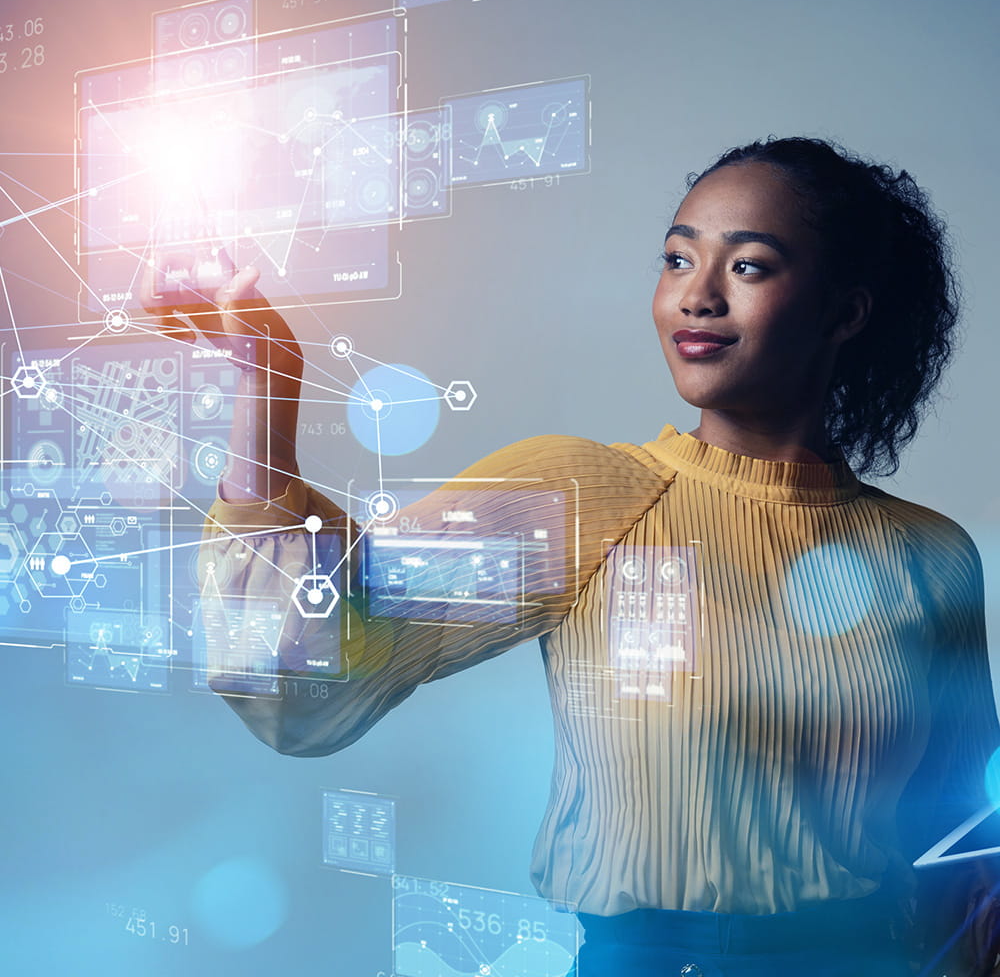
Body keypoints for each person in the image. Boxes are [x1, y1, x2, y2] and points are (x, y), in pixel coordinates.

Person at [146, 137, 1000, 975]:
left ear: (846, 312)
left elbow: (967, 838)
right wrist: (267, 377)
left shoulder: (931, 556)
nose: (696, 296)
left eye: (747, 267)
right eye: (677, 259)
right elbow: (301, 681)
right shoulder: (582, 497)